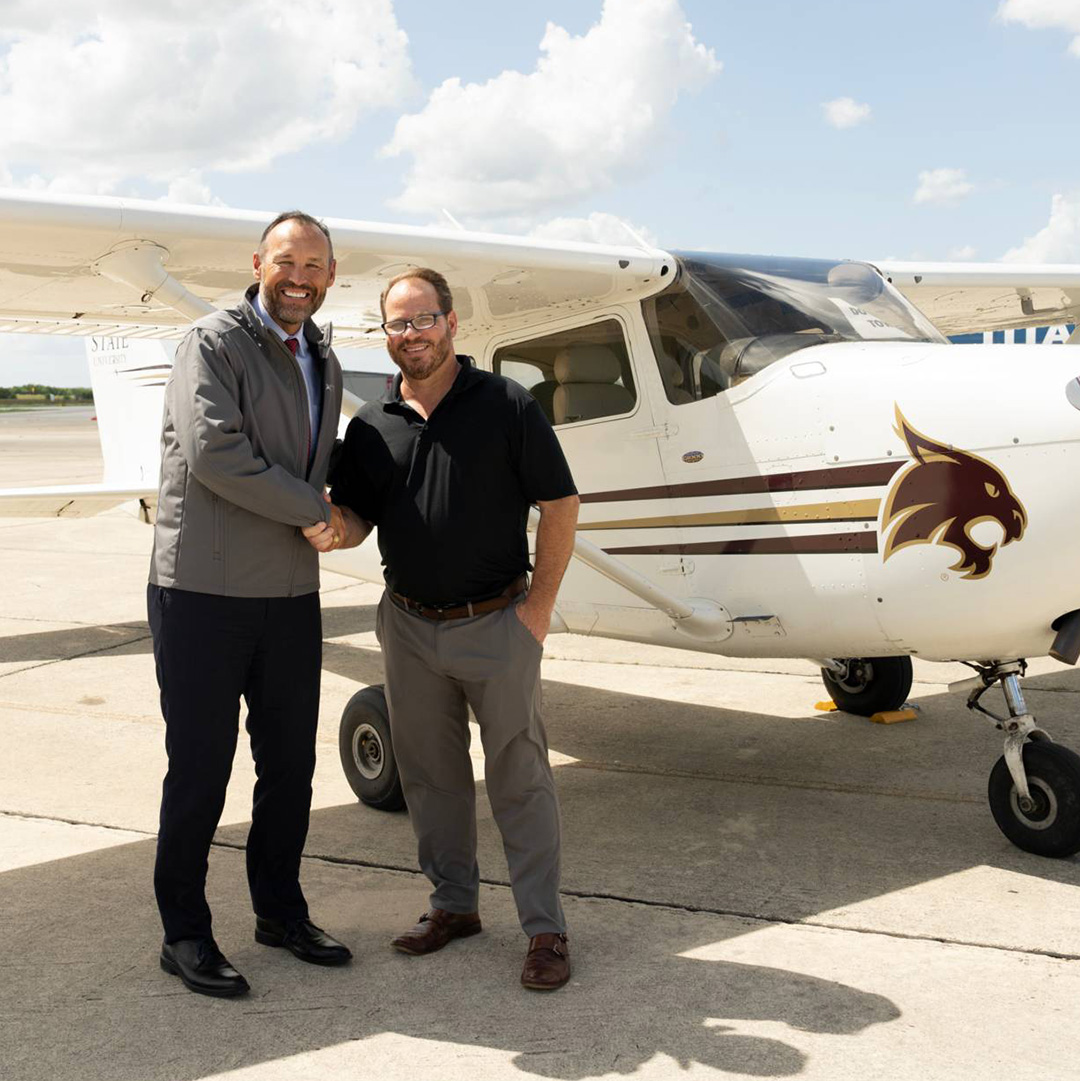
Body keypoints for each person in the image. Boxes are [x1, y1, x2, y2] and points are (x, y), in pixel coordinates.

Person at [315, 267, 580, 991]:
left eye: (422, 319)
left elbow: (560, 504)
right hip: (407, 625)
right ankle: (453, 906)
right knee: (431, 778)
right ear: (387, 335)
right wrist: (325, 528)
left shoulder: (505, 404)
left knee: (520, 778)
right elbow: (358, 517)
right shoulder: (373, 425)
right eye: (397, 324)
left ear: (451, 322)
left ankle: (545, 929)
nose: (411, 335)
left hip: (497, 622)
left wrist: (538, 611)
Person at [148, 210, 352, 998]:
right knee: (200, 769)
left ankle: (280, 911)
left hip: (292, 592)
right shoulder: (214, 340)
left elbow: (323, 455)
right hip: (203, 589)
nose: (299, 279)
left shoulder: (322, 354)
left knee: (290, 767)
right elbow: (214, 451)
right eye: (287, 263)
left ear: (331, 276)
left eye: (315, 267)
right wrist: (312, 507)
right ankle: (185, 934)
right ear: (258, 262)